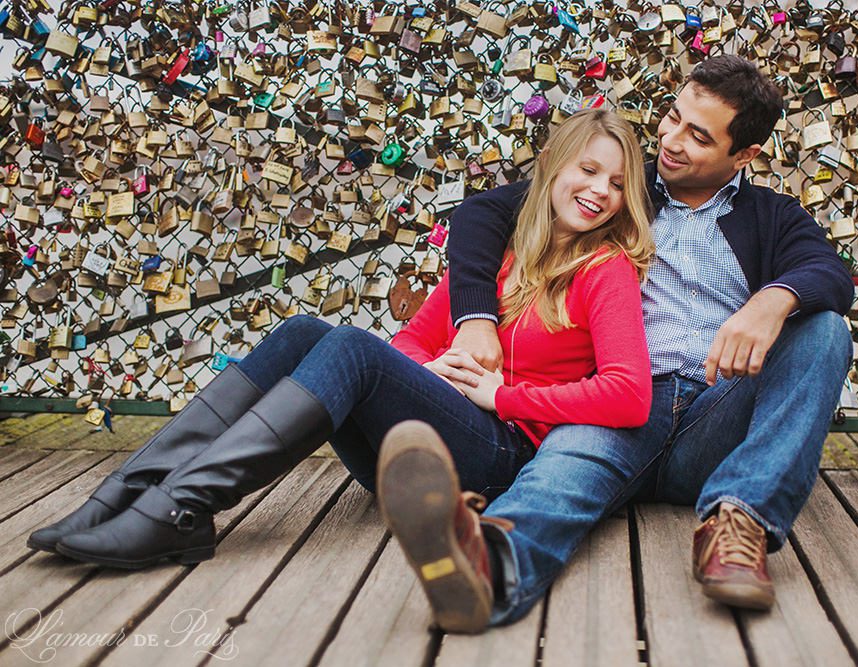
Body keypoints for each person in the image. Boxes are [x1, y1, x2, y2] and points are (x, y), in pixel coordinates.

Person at [28, 109, 656, 626]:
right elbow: (411, 339)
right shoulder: (502, 256)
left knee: (352, 346)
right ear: (551, 168)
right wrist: (432, 371)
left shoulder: (604, 272)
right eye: (589, 169)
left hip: (500, 460)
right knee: (306, 330)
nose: (600, 190)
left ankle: (180, 507)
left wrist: (503, 397)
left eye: (615, 183)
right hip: (437, 436)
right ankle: (130, 493)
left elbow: (629, 397)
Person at [411, 55, 854, 626]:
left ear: (743, 155)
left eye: (698, 136)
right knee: (563, 472)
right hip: (625, 405)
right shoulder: (620, 185)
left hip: (721, 415)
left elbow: (830, 274)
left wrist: (773, 301)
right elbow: (480, 215)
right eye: (672, 118)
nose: (670, 140)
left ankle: (739, 520)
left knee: (823, 330)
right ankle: (489, 570)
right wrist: (476, 316)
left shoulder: (772, 216)